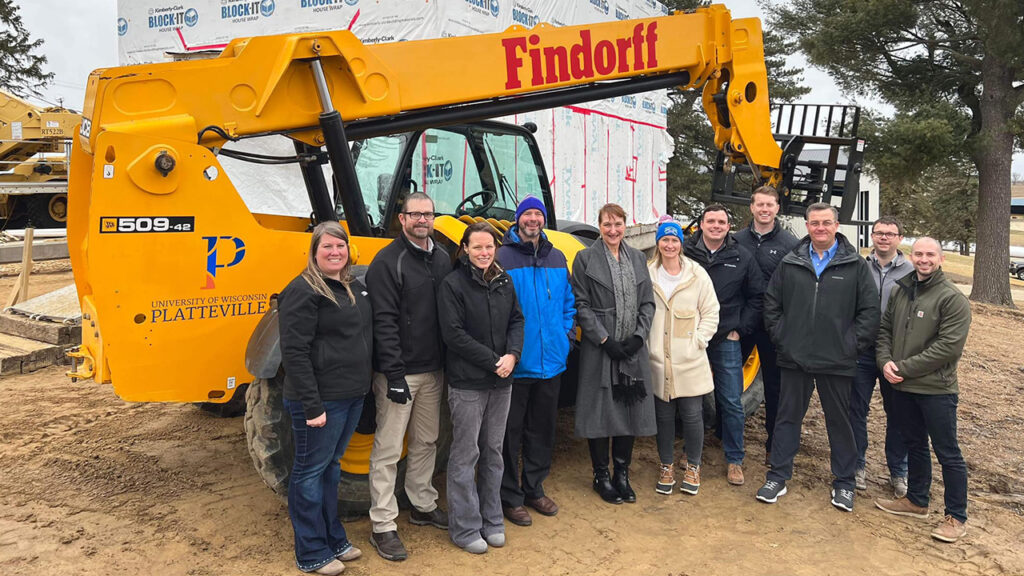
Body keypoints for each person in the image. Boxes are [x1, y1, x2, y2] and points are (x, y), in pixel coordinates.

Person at [756, 202, 879, 512]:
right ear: (807, 226)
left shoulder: (855, 265)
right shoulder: (791, 261)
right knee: (787, 419)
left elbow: (869, 312)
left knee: (841, 422)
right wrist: (784, 339)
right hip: (795, 357)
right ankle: (778, 476)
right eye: (814, 223)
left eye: (826, 222)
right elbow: (772, 305)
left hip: (837, 360)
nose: (820, 228)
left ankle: (844, 482)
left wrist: (850, 346)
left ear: (836, 226)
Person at [278, 222, 372, 575]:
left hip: (350, 396)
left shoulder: (351, 287)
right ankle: (311, 551)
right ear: (314, 252)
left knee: (331, 468)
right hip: (320, 402)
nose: (335, 252)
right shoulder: (302, 291)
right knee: (308, 473)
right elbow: (295, 353)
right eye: (327, 247)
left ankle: (334, 538)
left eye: (340, 247)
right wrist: (312, 406)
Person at [364, 192, 452, 562]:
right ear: (402, 219)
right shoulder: (387, 262)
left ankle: (421, 502)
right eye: (414, 214)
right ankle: (383, 524)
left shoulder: (443, 258)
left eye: (428, 214)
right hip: (399, 374)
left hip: (434, 371)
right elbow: (382, 321)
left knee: (427, 441)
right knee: (387, 449)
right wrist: (394, 374)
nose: (422, 220)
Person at [874, 237, 972, 543]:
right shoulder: (901, 291)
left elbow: (947, 348)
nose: (924, 259)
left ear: (941, 259)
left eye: (930, 254)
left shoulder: (952, 299)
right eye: (919, 254)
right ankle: (917, 500)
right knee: (914, 443)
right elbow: (884, 332)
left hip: (936, 389)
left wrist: (902, 368)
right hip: (902, 386)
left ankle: (956, 516)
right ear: (911, 256)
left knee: (948, 453)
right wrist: (885, 362)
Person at [437, 221, 525, 554]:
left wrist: (513, 355)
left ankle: (492, 520)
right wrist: (494, 360)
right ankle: (464, 527)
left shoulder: (504, 281)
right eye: (477, 247)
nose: (484, 252)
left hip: (502, 381)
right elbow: (454, 335)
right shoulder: (453, 285)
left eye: (489, 247)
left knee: (493, 453)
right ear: (465, 249)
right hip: (468, 384)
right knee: (465, 455)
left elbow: (517, 320)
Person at [496, 196, 576, 527]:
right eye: (527, 214)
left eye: (537, 214)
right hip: (517, 363)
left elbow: (568, 303)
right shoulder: (501, 257)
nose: (533, 219)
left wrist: (566, 336)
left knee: (541, 429)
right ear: (518, 219)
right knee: (509, 433)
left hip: (552, 361)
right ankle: (510, 496)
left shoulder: (556, 257)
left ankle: (534, 487)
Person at [571, 203, 656, 505]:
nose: (613, 230)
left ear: (625, 225)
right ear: (599, 226)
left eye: (618, 224)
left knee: (627, 407)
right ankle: (601, 475)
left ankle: (622, 473)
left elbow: (648, 303)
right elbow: (580, 304)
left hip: (632, 346)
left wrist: (638, 336)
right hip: (601, 346)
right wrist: (604, 339)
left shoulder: (637, 258)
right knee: (600, 409)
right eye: (607, 224)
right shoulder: (585, 259)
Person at [683, 204, 764, 486]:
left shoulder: (741, 256)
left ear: (728, 226)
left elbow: (757, 297)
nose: (716, 226)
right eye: (710, 221)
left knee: (731, 400)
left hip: (724, 337)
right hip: (691, 337)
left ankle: (734, 459)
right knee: (690, 397)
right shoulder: (685, 252)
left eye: (721, 222)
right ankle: (690, 452)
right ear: (701, 225)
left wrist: (740, 330)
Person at [647, 220, 719, 496]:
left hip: (689, 359)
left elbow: (711, 311)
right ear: (658, 243)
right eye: (664, 240)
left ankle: (693, 465)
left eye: (674, 240)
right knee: (663, 417)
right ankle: (666, 465)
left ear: (681, 243)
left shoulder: (696, 275)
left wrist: (698, 341)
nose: (669, 245)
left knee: (692, 415)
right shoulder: (649, 273)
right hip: (658, 359)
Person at [734, 186, 799, 467]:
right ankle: (725, 435)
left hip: (773, 327)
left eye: (769, 205)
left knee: (775, 388)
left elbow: (796, 287)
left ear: (777, 208)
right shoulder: (735, 240)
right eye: (759, 204)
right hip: (740, 323)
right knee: (728, 382)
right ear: (751, 207)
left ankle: (774, 446)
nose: (764, 209)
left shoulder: (789, 244)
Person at [848, 216, 912, 495]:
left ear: (899, 238)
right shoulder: (858, 267)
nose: (884, 238)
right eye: (879, 233)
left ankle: (898, 472)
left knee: (898, 413)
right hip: (861, 351)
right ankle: (856, 466)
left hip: (895, 354)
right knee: (856, 411)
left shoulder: (911, 272)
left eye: (890, 233)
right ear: (872, 236)